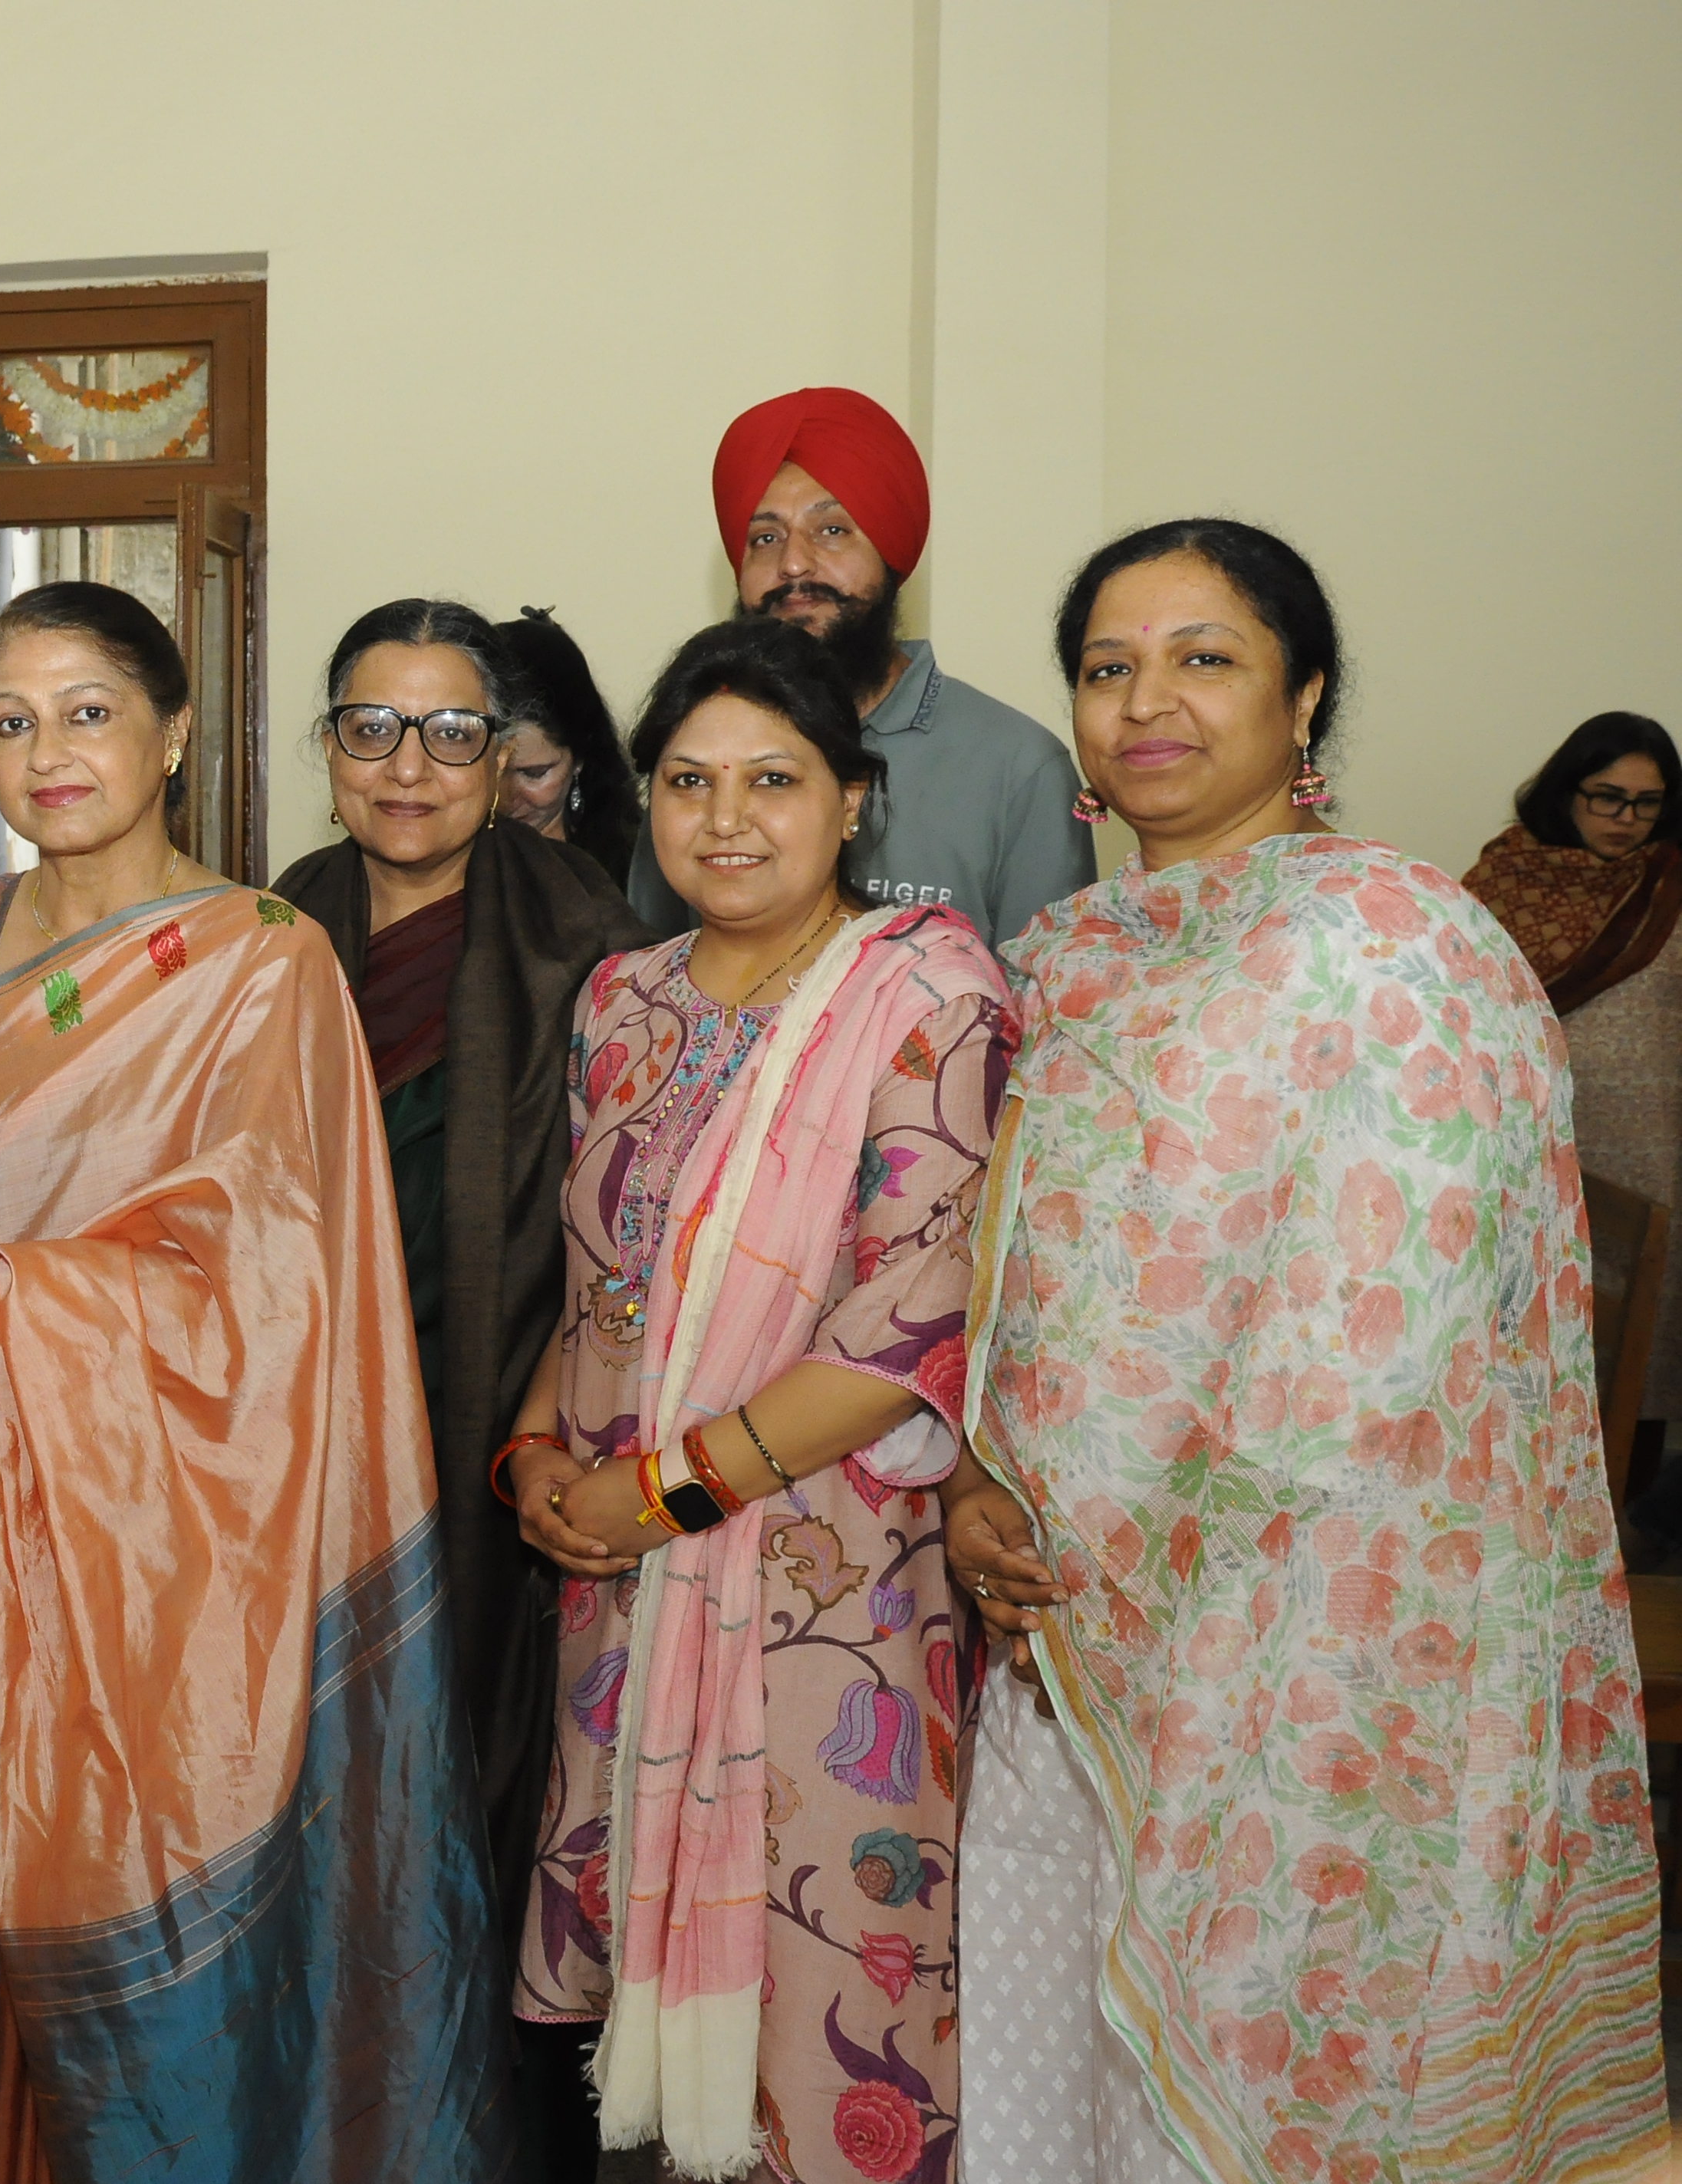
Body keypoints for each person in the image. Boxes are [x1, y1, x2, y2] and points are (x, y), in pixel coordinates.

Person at [0, 581, 523, 2180]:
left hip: (196, 1536)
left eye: (89, 711)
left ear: (176, 733)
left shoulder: (259, 961)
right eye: (11, 719)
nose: (48, 751)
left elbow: (267, 1295)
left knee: (159, 1873)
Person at [950, 520, 1667, 2182]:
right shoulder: (1064, 960)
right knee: (1059, 2048)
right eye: (1108, 666)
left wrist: (1142, 1533)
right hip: (1063, 1637)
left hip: (1317, 1645)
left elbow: (1407, 1350)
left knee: (1273, 2054)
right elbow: (1010, 1276)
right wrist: (974, 1480)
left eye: (1202, 658)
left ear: (1304, 697)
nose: (1146, 701)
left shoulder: (1401, 950)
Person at [499, 615, 1013, 2180]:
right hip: (615, 1567)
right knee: (642, 1956)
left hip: (820, 1570)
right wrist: (530, 1446)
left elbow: (905, 1323)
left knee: (824, 1969)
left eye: (771, 778)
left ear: (852, 796)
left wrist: (660, 1491)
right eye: (686, 778)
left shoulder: (928, 992)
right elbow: (597, 1279)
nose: (724, 816)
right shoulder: (620, 996)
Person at [268, 597, 650, 2153]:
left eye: (447, 732)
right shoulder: (268, 930)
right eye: (370, 727)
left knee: (486, 1779)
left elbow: (628, 1231)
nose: (406, 766)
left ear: (499, 760)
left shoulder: (589, 945)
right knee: (307, 1775)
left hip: (502, 1427)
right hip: (292, 1431)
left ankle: (481, 2121)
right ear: (327, 749)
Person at [626, 386, 1096, 954]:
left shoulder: (1017, 767)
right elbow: (654, 962)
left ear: (890, 553)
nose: (793, 564)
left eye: (831, 530)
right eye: (765, 538)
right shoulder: (693, 751)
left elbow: (1049, 994)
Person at [1463, 710, 1682, 1419]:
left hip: (1649, 1153)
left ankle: (1631, 1479)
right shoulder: (1508, 875)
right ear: (1567, 792)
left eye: (1647, 803)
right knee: (1528, 1338)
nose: (1627, 820)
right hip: (1526, 1143)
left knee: (1640, 1344)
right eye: (1608, 797)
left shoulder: (1669, 887)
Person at [492, 604, 642, 885]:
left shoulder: (640, 872)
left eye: (534, 774)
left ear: (580, 756)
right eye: (492, 770)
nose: (506, 797)